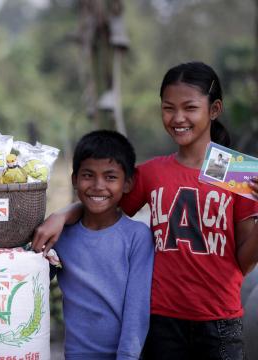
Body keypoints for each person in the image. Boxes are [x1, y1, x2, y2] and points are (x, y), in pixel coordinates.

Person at [32, 62, 258, 359]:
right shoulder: (154, 172)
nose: (178, 118)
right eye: (168, 108)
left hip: (220, 321)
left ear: (214, 109)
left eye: (190, 108)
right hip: (162, 319)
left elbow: (244, 263)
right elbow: (102, 202)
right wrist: (62, 216)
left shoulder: (234, 171)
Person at [50, 130, 153, 359]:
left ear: (127, 183)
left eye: (110, 177)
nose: (98, 185)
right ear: (74, 179)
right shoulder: (60, 236)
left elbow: (137, 311)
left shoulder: (138, 237)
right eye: (88, 175)